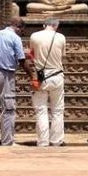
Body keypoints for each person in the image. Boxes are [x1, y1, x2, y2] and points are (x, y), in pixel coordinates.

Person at [0, 17, 34, 146]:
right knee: (9, 108)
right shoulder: (15, 38)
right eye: (22, 31)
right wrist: (32, 76)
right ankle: (7, 141)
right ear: (18, 27)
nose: (22, 34)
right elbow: (22, 60)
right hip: (5, 74)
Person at [29, 16, 66, 146]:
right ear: (56, 26)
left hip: (41, 77)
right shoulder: (61, 37)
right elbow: (63, 56)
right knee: (57, 110)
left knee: (41, 110)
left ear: (44, 25)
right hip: (57, 75)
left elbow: (32, 53)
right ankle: (56, 140)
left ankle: (43, 141)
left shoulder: (34, 36)